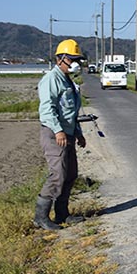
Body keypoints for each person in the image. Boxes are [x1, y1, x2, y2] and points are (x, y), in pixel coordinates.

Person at [34, 39, 87, 230]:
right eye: (71, 59)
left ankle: (62, 213)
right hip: (55, 134)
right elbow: (47, 109)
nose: (75, 63)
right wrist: (58, 131)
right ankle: (40, 217)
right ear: (60, 59)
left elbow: (71, 112)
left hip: (69, 133)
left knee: (70, 173)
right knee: (58, 174)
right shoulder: (51, 79)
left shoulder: (68, 81)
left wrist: (79, 133)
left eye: (77, 60)